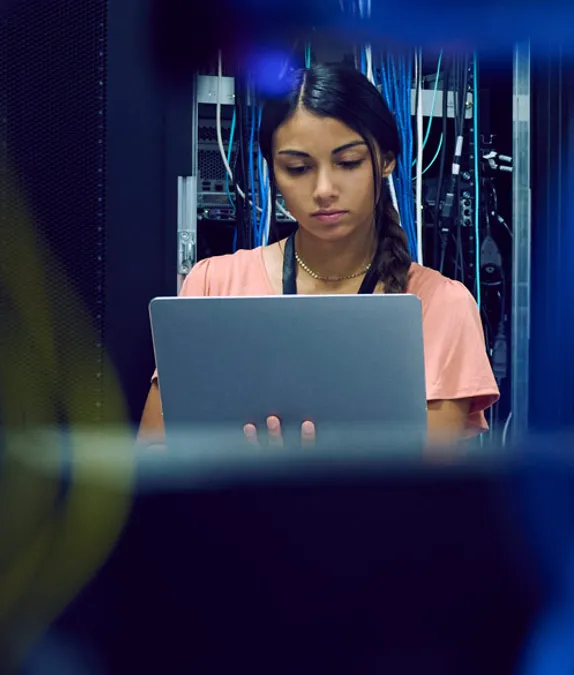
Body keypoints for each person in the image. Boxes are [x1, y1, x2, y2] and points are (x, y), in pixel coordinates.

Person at [137, 63, 499, 447]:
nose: (324, 189)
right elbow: (154, 454)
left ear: (387, 159)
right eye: (298, 168)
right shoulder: (213, 286)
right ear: (273, 173)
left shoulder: (443, 306)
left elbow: (424, 486)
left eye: (348, 163)